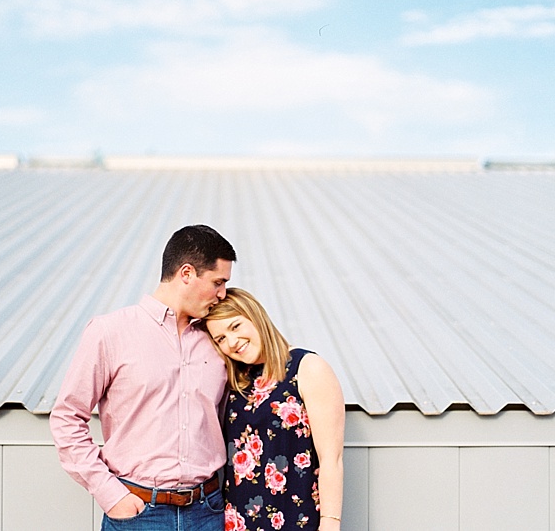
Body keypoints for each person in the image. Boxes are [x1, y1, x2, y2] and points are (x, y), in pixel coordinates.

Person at [50, 224, 237, 530]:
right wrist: (110, 494)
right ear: (187, 274)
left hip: (209, 513)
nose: (223, 293)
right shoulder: (109, 332)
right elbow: (67, 419)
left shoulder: (219, 339)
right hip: (137, 513)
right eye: (218, 282)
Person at [201, 288, 345, 531]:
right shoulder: (236, 382)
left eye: (235, 326)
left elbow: (332, 459)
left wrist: (331, 524)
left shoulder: (307, 368)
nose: (232, 342)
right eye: (221, 339)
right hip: (238, 523)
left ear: (255, 316)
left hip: (297, 519)